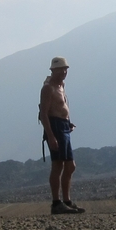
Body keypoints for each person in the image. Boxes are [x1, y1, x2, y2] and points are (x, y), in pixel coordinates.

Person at [40, 56, 84, 214]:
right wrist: (51, 136)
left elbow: (62, 105)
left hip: (64, 126)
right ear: (53, 70)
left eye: (65, 69)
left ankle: (67, 200)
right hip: (55, 127)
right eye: (60, 69)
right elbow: (44, 114)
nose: (63, 72)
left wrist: (68, 122)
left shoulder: (61, 86)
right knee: (58, 165)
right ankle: (56, 202)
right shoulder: (48, 88)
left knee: (70, 166)